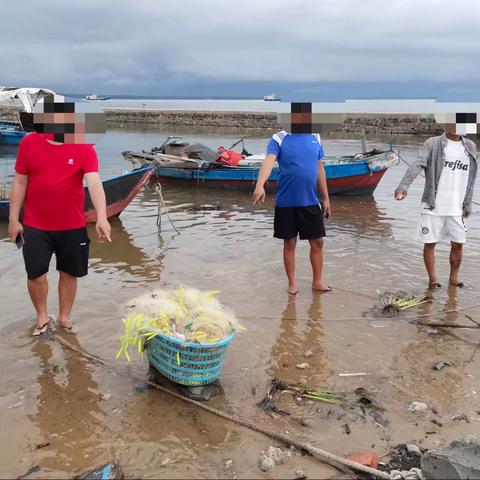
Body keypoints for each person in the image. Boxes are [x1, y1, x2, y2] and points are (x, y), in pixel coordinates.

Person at [8, 97, 111, 335]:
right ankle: (42, 316)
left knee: (69, 273)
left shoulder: (85, 146)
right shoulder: (29, 142)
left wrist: (103, 218)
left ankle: (64, 318)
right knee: (35, 274)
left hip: (72, 224)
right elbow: (20, 181)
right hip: (35, 224)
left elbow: (94, 184)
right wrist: (14, 220)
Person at [252, 103, 331, 295]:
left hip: (311, 201)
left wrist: (326, 198)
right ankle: (292, 284)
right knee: (289, 243)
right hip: (286, 201)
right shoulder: (279, 138)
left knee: (318, 242)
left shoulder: (315, 138)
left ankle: (317, 281)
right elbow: (269, 160)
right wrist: (260, 184)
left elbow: (320, 168)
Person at [395, 123, 478, 289]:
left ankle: (454, 278)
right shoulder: (431, 143)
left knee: (458, 244)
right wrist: (404, 186)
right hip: (433, 204)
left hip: (456, 206)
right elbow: (417, 164)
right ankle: (433, 279)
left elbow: (471, 177)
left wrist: (467, 203)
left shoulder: (470, 146)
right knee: (430, 243)